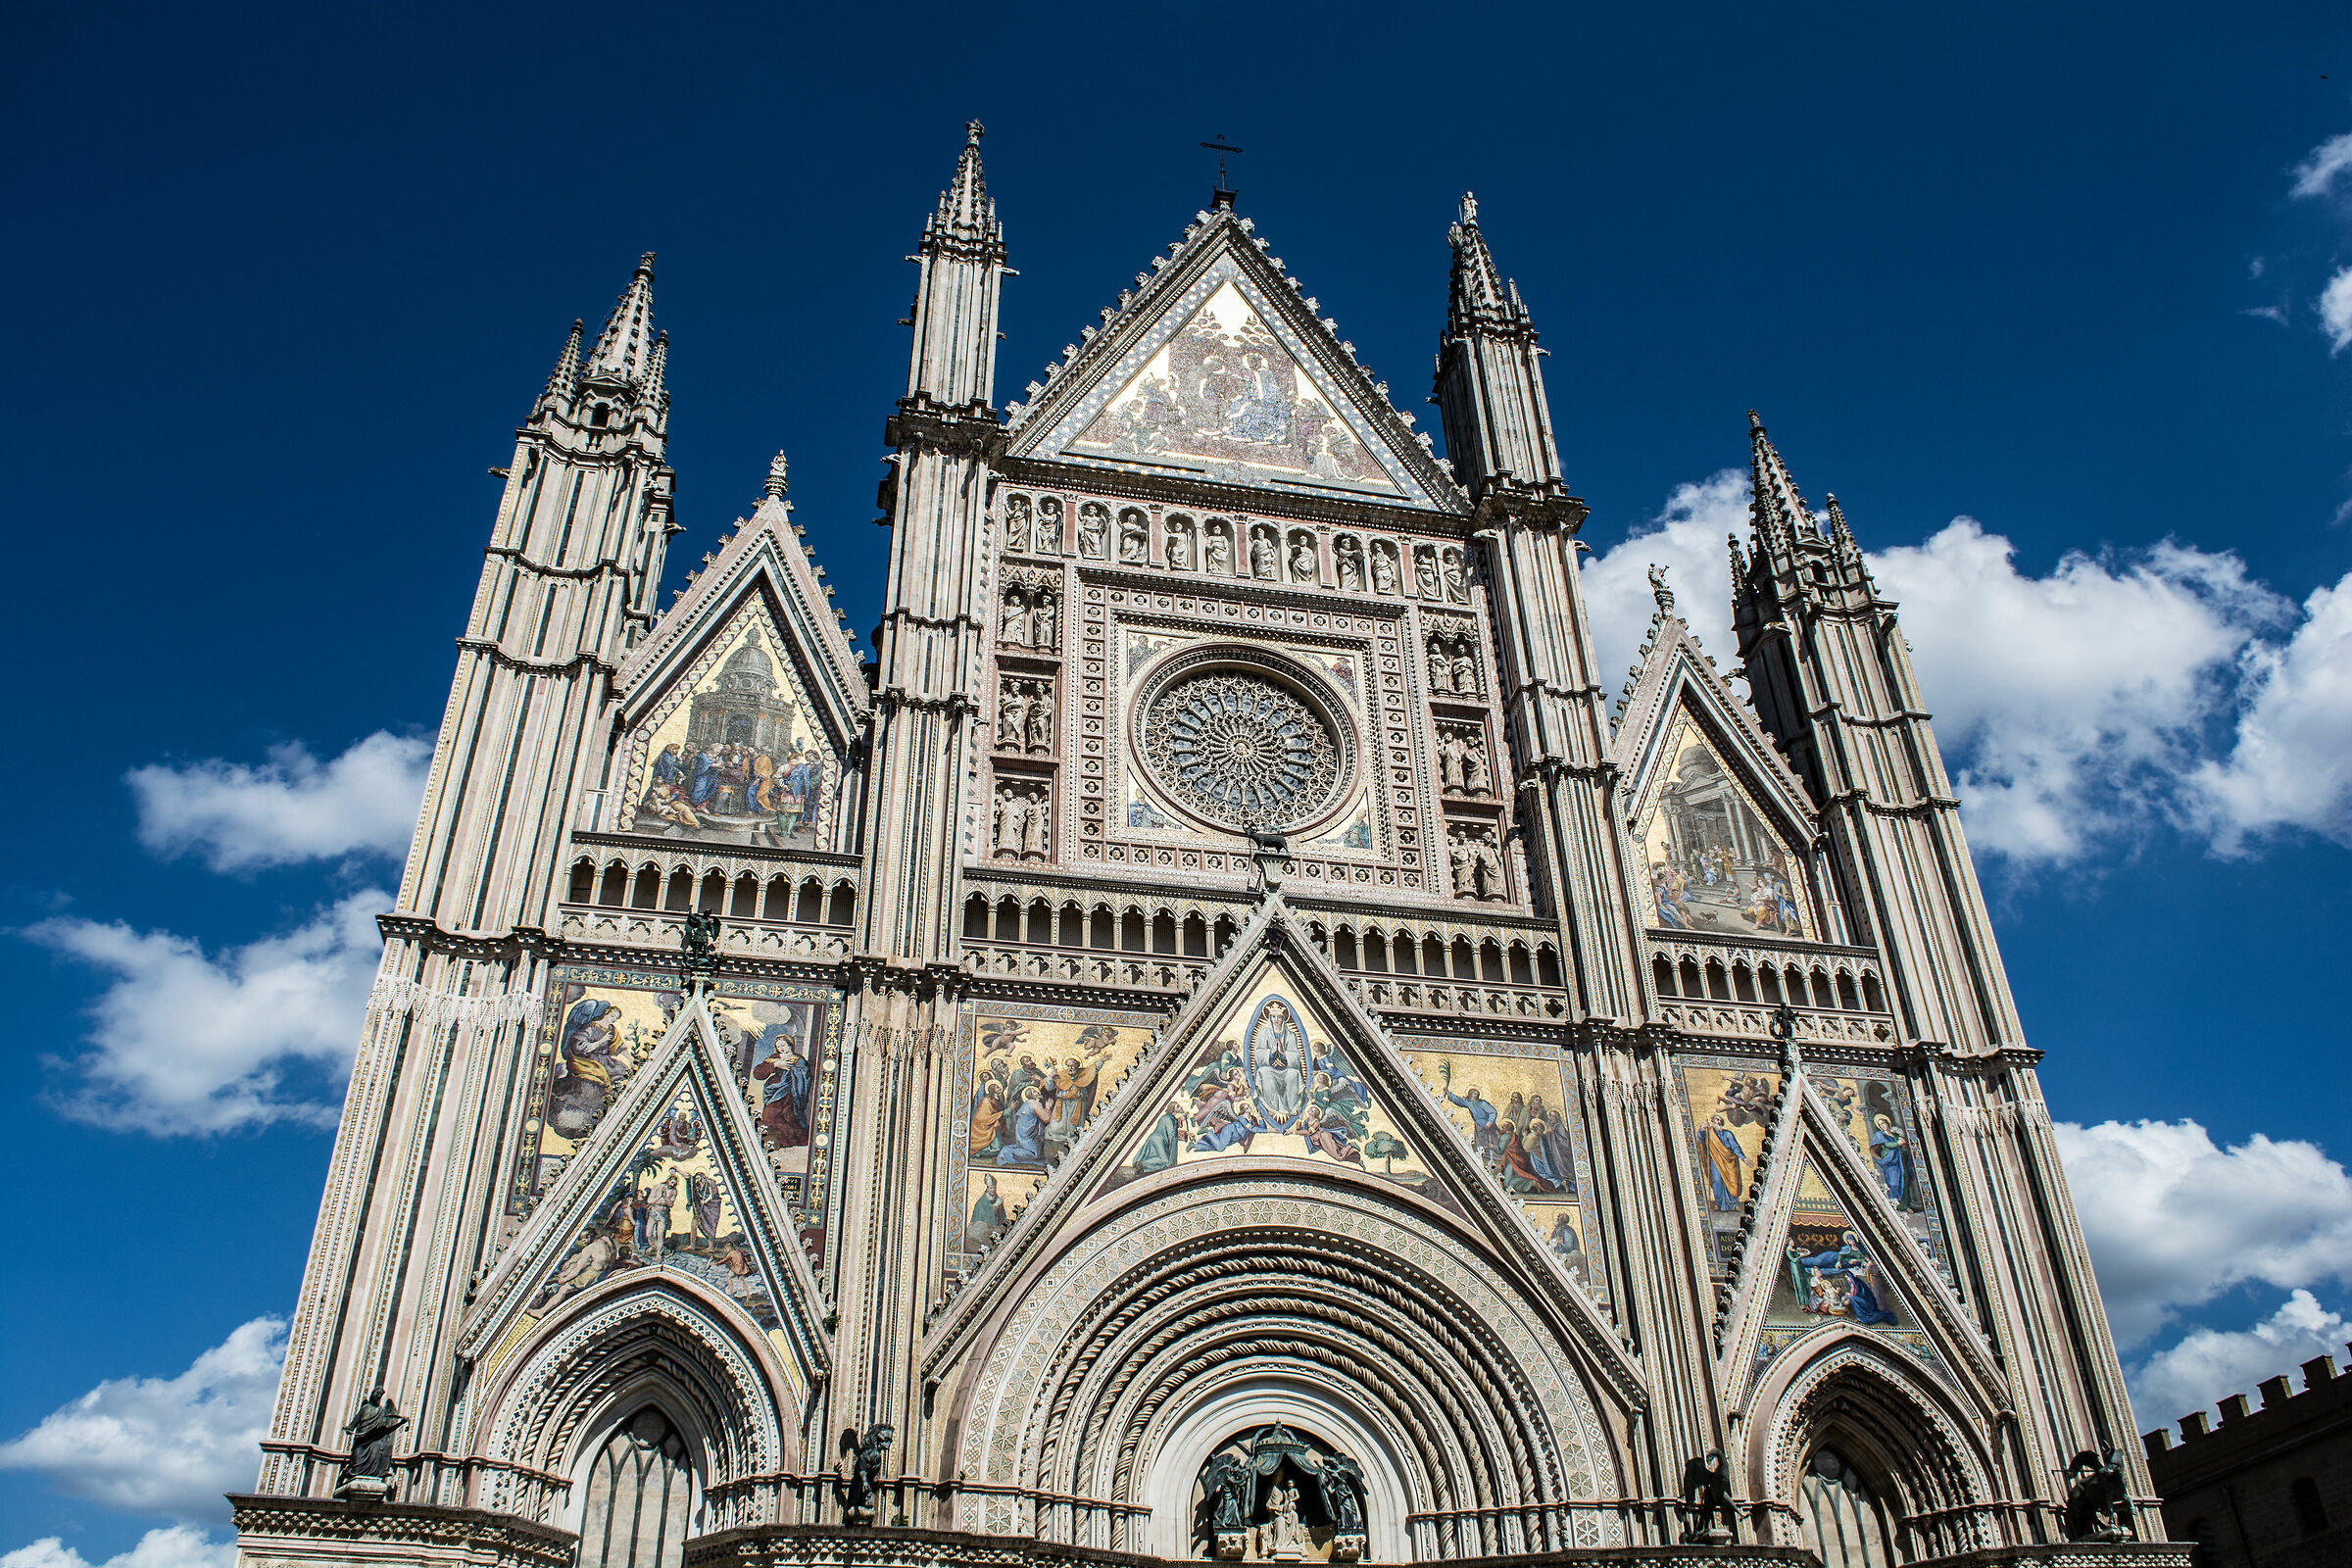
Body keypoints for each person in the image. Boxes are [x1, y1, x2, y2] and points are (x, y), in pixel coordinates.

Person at [1702, 1114, 1744, 1211]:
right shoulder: (1709, 1133)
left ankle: (1734, 1203)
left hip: (1729, 1161)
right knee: (1717, 1181)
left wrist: (1743, 1157)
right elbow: (1700, 1139)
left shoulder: (1728, 1134)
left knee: (1732, 1181)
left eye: (1720, 1120)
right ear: (1712, 1122)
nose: (1719, 1122)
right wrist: (1702, 1129)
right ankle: (1719, 1203)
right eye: (1717, 1120)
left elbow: (1735, 1147)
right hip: (1716, 1161)